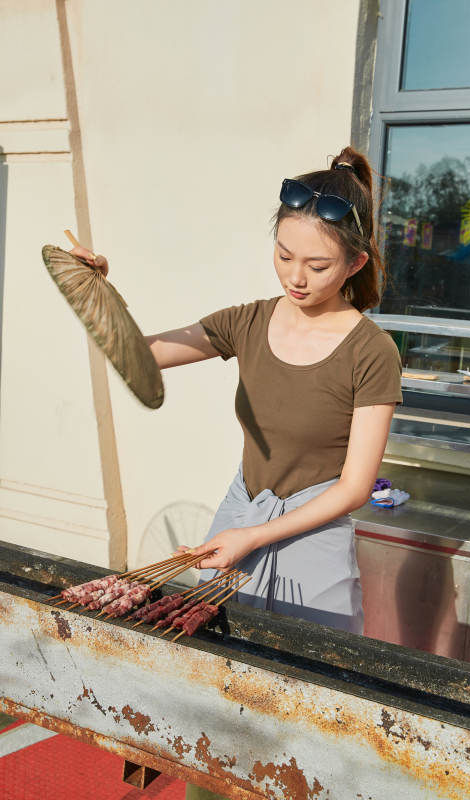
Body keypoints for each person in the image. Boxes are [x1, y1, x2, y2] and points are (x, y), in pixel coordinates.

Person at [71, 145, 403, 800]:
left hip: (313, 536)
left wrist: (256, 540)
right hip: (241, 512)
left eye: (317, 264)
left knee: (304, 717)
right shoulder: (246, 321)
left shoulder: (372, 351)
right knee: (214, 700)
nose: (296, 277)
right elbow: (139, 354)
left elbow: (355, 487)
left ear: (356, 263)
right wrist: (97, 290)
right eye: (283, 256)